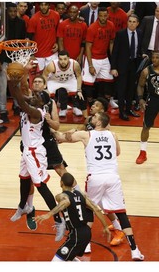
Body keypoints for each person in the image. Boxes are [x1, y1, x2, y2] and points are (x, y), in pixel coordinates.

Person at [52, 111, 145, 261]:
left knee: (89, 209)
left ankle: (86, 244)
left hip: (96, 177)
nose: (91, 117)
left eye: (94, 117)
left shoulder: (85, 135)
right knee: (121, 213)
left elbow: (62, 138)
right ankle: (135, 250)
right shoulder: (113, 135)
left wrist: (50, 129)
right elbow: (117, 152)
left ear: (100, 122)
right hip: (113, 177)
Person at [7, 64, 66, 242]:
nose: (35, 96)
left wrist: (13, 81)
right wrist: (14, 81)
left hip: (35, 152)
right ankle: (23, 206)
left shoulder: (36, 112)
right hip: (26, 150)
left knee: (41, 186)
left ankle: (59, 220)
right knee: (23, 179)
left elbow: (19, 99)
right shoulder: (32, 103)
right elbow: (19, 96)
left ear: (42, 104)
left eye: (38, 96)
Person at [34, 172, 111, 261]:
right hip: (86, 232)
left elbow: (66, 202)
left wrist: (48, 214)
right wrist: (105, 226)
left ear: (61, 183)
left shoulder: (62, 196)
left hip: (77, 235)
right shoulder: (82, 194)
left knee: (56, 261)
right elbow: (96, 209)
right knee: (69, 258)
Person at [82, 7, 117, 109]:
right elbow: (88, 47)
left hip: (104, 57)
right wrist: (90, 65)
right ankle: (90, 103)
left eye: (105, 15)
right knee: (88, 83)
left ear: (108, 15)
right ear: (98, 16)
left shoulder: (111, 25)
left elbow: (111, 42)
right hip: (92, 58)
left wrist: (113, 60)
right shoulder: (92, 28)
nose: (103, 18)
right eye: (101, 15)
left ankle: (107, 101)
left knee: (109, 81)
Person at [0, 2, 27, 122]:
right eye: (11, 11)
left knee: (17, 85)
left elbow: (22, 41)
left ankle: (17, 105)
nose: (13, 13)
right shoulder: (1, 23)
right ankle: (3, 110)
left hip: (16, 58)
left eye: (15, 11)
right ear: (6, 12)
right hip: (3, 58)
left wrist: (21, 58)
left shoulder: (21, 22)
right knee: (3, 86)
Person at [111, 14, 143, 121]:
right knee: (122, 89)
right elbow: (115, 51)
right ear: (127, 22)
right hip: (122, 65)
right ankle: (121, 111)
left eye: (134, 22)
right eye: (130, 21)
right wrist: (113, 67)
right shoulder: (120, 34)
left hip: (134, 65)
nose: (132, 24)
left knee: (131, 89)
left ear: (137, 24)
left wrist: (141, 55)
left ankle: (129, 109)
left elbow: (138, 47)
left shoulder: (139, 33)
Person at [43, 50, 87, 118]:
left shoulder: (75, 64)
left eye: (65, 59)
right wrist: (45, 88)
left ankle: (76, 108)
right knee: (47, 94)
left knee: (77, 93)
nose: (63, 61)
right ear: (58, 59)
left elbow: (78, 76)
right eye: (60, 59)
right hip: (55, 81)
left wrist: (79, 90)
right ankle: (62, 109)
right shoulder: (52, 65)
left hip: (69, 80)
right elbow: (44, 75)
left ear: (69, 58)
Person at [27, 2, 60, 73]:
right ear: (39, 6)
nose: (43, 7)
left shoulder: (56, 15)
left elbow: (58, 32)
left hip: (52, 52)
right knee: (38, 77)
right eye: (41, 5)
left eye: (45, 5)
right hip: (38, 53)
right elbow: (29, 38)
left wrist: (57, 43)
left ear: (49, 6)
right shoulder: (34, 19)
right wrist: (31, 54)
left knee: (52, 75)